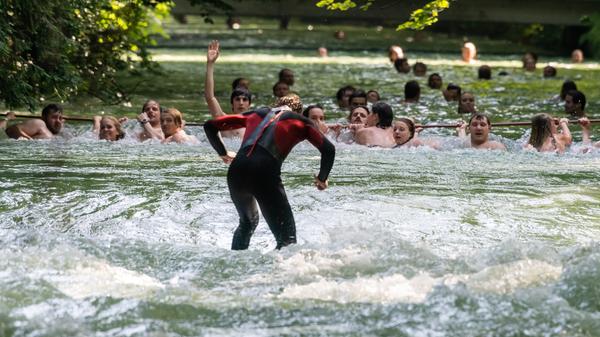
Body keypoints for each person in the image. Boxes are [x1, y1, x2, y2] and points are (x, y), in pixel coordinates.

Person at [203, 94, 335, 250]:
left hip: (236, 170)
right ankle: (276, 273)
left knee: (247, 223)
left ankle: (234, 264)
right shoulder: (301, 121)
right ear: (299, 111)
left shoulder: (256, 113)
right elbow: (329, 149)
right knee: (287, 240)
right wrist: (322, 178)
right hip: (264, 172)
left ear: (276, 104)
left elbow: (210, 125)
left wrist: (223, 153)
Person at [205, 40, 251, 138]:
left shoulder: (257, 125)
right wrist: (210, 64)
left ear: (249, 105)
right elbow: (209, 97)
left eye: (245, 99)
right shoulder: (225, 121)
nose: (241, 103)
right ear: (232, 104)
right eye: (237, 99)